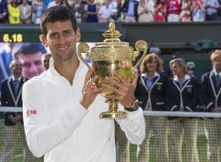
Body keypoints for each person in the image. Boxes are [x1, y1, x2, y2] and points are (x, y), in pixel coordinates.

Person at [22, 6, 145, 162]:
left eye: (66, 33)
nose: (62, 41)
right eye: (55, 35)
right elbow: (36, 146)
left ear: (77, 34)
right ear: (44, 40)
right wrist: (82, 105)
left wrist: (130, 105)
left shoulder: (104, 78)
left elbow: (137, 137)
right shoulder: (34, 87)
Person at [200, 50, 221, 162]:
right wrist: (211, 107)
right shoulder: (206, 76)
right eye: (219, 60)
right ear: (213, 61)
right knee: (212, 145)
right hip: (210, 116)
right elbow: (203, 94)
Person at [135, 53, 169, 162]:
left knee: (161, 142)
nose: (152, 64)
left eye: (155, 62)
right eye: (150, 62)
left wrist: (164, 107)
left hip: (159, 114)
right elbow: (135, 93)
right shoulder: (139, 77)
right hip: (143, 114)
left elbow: (167, 94)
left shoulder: (163, 77)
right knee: (142, 142)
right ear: (145, 64)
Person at [0, 60, 36, 162]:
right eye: (16, 66)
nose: (18, 67)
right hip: (9, 121)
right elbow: (3, 101)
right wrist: (9, 115)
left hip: (25, 121)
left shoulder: (29, 82)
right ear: (11, 68)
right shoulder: (4, 83)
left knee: (28, 146)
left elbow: (30, 101)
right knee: (8, 146)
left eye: (20, 65)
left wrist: (21, 116)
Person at [166, 58, 200, 162]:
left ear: (182, 67)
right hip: (174, 117)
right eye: (172, 67)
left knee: (191, 143)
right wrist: (177, 112)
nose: (173, 68)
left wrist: (187, 111)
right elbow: (167, 98)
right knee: (175, 144)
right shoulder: (169, 81)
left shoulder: (193, 81)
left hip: (190, 117)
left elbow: (196, 97)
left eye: (175, 66)